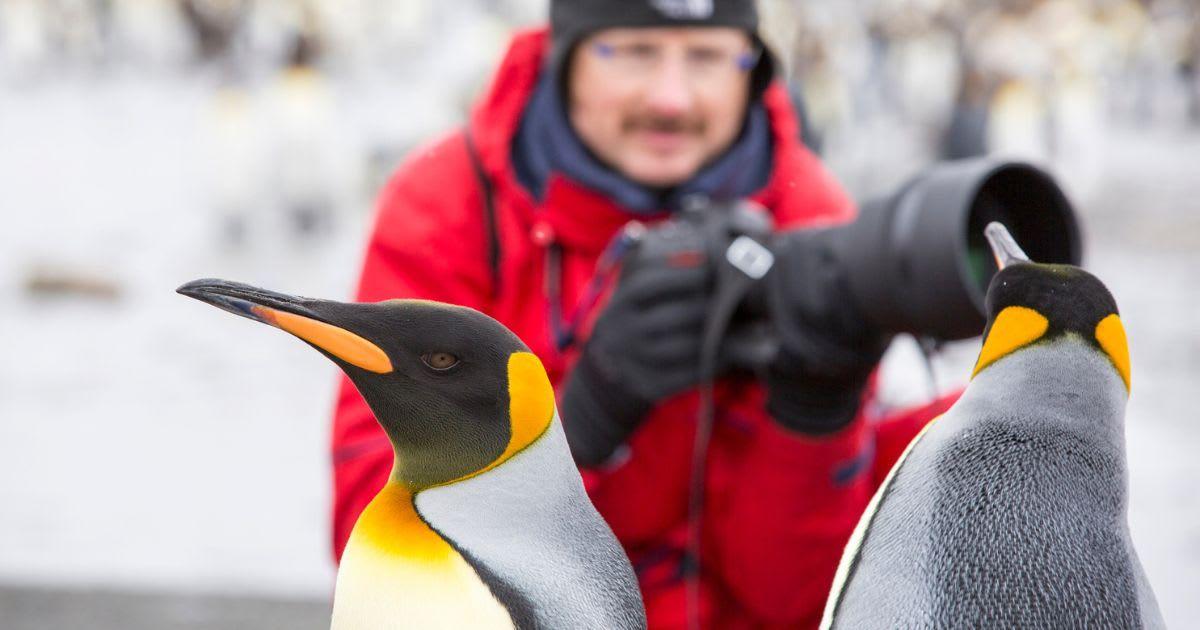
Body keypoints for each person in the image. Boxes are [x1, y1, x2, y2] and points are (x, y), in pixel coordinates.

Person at [331, 1, 954, 627]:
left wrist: (815, 410)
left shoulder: (808, 219)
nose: (672, 100)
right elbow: (376, 546)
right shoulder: (454, 207)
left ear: (752, 67)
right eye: (634, 52)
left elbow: (802, 602)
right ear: (566, 55)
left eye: (708, 57)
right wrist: (577, 423)